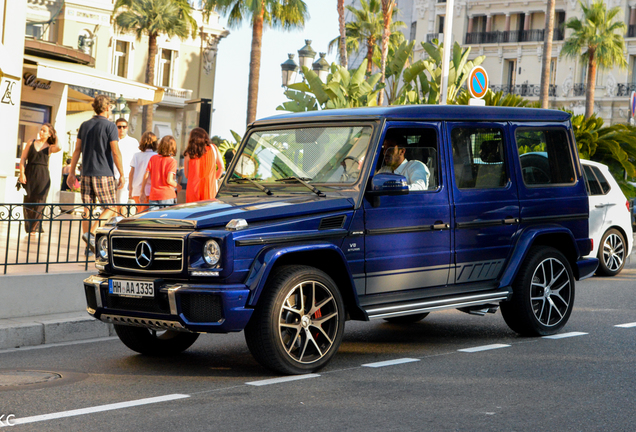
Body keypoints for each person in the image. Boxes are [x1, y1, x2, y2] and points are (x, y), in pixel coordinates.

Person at [66, 95, 124, 253]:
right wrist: (122, 173)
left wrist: (72, 172)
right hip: (103, 173)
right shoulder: (110, 126)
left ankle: (88, 246)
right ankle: (91, 234)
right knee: (111, 207)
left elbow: (77, 150)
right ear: (107, 108)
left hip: (86, 172)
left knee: (87, 209)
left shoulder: (84, 125)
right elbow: (115, 152)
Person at [18, 123, 61, 235]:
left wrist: (55, 136)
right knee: (28, 201)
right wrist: (22, 173)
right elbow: (23, 158)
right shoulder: (31, 142)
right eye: (41, 130)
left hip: (43, 176)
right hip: (29, 174)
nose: (41, 132)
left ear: (49, 134)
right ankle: (30, 225)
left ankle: (33, 228)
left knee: (40, 202)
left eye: (44, 131)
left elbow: (59, 147)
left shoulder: (50, 147)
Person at [183, 128, 223, 203]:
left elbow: (187, 175)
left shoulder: (189, 153)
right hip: (209, 189)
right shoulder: (213, 148)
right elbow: (221, 168)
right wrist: (214, 179)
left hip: (193, 190)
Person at [140, 135, 178, 210]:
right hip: (167, 195)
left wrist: (142, 191)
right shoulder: (172, 161)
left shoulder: (153, 158)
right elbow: (169, 180)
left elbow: (146, 175)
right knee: (167, 218)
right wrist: (178, 186)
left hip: (154, 194)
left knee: (154, 218)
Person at [128, 131, 158, 213]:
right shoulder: (156, 156)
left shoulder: (136, 155)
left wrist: (130, 189)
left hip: (136, 189)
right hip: (149, 189)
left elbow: (131, 173)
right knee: (145, 215)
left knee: (139, 212)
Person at [114, 118, 139, 207]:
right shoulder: (112, 141)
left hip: (126, 176)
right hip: (112, 175)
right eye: (119, 127)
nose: (122, 129)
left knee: (122, 203)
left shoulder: (133, 142)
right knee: (111, 204)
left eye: (124, 127)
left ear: (127, 128)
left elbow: (137, 160)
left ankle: (120, 220)